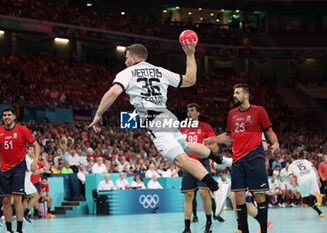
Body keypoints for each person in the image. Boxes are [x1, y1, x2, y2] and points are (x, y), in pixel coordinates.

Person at [89, 43, 231, 196]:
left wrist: (98, 114)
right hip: (167, 115)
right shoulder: (160, 71)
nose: (125, 62)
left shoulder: (127, 72)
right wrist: (190, 55)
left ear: (134, 58)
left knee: (180, 160)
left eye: (127, 58)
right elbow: (190, 80)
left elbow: (113, 92)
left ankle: (217, 188)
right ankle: (222, 160)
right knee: (186, 147)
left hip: (154, 121)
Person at [205, 83, 279, 233]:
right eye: (234, 92)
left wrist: (275, 143)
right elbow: (228, 135)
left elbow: (269, 132)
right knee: (238, 197)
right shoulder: (232, 113)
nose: (234, 95)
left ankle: (263, 230)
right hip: (238, 161)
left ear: (246, 95)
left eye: (237, 93)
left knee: (259, 196)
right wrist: (211, 139)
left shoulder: (259, 111)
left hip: (255, 158)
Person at [0, 107, 40, 233]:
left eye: (9, 115)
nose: (6, 117)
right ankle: (9, 230)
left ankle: (19, 229)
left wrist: (35, 161)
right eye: (4, 115)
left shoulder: (22, 130)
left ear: (14, 117)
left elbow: (35, 145)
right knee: (6, 200)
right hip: (4, 169)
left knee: (17, 198)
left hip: (19, 168)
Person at [179, 103, 219, 233]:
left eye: (192, 110)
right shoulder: (182, 128)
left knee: (203, 193)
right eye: (188, 111)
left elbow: (215, 147)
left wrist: (205, 145)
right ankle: (187, 228)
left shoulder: (206, 127)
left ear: (198, 113)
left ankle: (208, 223)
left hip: (202, 163)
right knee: (188, 196)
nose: (189, 113)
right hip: (187, 164)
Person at [23, 146, 49, 222]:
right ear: (27, 150)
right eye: (30, 149)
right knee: (14, 199)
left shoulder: (33, 160)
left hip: (27, 181)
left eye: (33, 150)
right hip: (22, 180)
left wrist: (42, 170)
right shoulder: (25, 158)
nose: (32, 151)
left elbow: (34, 172)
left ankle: (25, 214)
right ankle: (1, 213)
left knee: (35, 196)